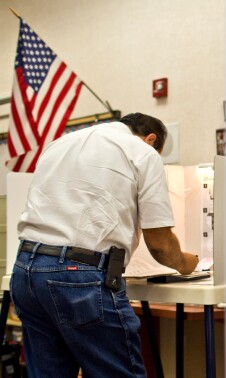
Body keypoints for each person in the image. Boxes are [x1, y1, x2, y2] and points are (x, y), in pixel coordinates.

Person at [10, 112, 199, 377]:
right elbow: (161, 246)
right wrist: (188, 263)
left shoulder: (60, 144)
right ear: (151, 139)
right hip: (79, 278)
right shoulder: (143, 153)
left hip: (26, 271)